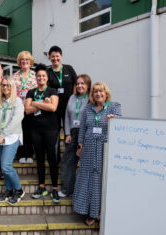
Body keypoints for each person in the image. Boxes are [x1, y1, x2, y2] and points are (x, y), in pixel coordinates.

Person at [73, 82, 122, 225]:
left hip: (104, 149)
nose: (98, 94)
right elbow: (82, 127)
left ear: (106, 93)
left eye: (101, 92)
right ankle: (88, 211)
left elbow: (121, 126)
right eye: (95, 92)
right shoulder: (88, 108)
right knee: (86, 179)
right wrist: (80, 144)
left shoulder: (114, 107)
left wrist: (113, 121)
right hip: (88, 149)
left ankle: (99, 212)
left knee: (100, 180)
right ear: (92, 95)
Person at [25, 63, 60, 203]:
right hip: (36, 130)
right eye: (38, 75)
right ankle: (41, 187)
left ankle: (55, 189)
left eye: (43, 76)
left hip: (51, 130)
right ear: (36, 77)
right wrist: (42, 103)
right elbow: (27, 110)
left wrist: (35, 103)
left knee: (52, 159)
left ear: (47, 77)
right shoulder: (31, 92)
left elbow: (53, 107)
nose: (41, 78)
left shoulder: (53, 91)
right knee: (39, 158)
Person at [0, 76, 25, 205]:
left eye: (8, 85)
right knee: (3, 166)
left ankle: (19, 190)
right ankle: (9, 189)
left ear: (12, 87)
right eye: (3, 85)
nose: (5, 87)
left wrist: (3, 134)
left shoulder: (17, 102)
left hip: (11, 137)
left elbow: (16, 121)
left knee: (6, 167)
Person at [58, 74, 91, 198]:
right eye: (77, 83)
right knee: (67, 162)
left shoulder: (91, 99)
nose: (79, 86)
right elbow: (67, 116)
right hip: (72, 133)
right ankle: (68, 189)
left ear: (88, 85)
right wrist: (67, 133)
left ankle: (83, 193)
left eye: (82, 83)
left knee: (86, 164)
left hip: (86, 133)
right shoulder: (72, 97)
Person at [47, 45, 77, 160]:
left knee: (68, 130)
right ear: (50, 58)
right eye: (53, 57)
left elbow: (76, 82)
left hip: (68, 106)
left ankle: (69, 155)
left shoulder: (68, 69)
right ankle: (56, 157)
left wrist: (74, 98)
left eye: (57, 56)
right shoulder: (48, 71)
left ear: (61, 56)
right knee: (55, 131)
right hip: (54, 107)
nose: (55, 59)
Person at [13, 51, 37, 164]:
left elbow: (37, 92)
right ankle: (21, 154)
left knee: (30, 132)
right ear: (19, 62)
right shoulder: (15, 76)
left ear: (30, 62)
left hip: (30, 108)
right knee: (19, 132)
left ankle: (29, 154)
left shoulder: (35, 75)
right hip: (18, 108)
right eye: (22, 59)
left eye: (27, 59)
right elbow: (12, 92)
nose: (25, 61)